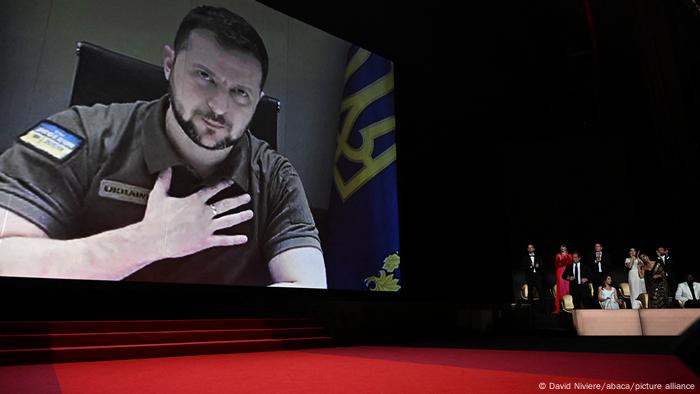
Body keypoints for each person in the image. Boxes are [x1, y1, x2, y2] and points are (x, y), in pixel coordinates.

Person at [0, 6, 326, 288]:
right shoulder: (84, 134)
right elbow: (6, 260)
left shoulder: (275, 176)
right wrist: (147, 243)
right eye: (204, 75)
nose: (219, 107)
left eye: (240, 92)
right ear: (169, 64)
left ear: (258, 98)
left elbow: (309, 284)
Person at [522, 243, 545, 312]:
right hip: (530, 277)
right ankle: (530, 309)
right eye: (529, 247)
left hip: (537, 276)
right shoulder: (525, 258)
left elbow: (542, 266)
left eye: (531, 247)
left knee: (541, 292)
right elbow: (523, 267)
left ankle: (542, 308)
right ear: (527, 249)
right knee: (530, 292)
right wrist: (530, 266)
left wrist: (539, 266)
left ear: (534, 249)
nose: (530, 248)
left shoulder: (538, 257)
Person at [553, 244, 573, 314]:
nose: (562, 248)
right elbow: (557, 264)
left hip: (567, 271)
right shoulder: (558, 255)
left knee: (568, 287)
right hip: (560, 272)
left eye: (564, 247)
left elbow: (570, 263)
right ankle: (559, 308)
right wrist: (563, 260)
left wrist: (566, 258)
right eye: (561, 247)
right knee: (560, 288)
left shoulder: (570, 255)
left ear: (566, 248)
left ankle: (570, 305)